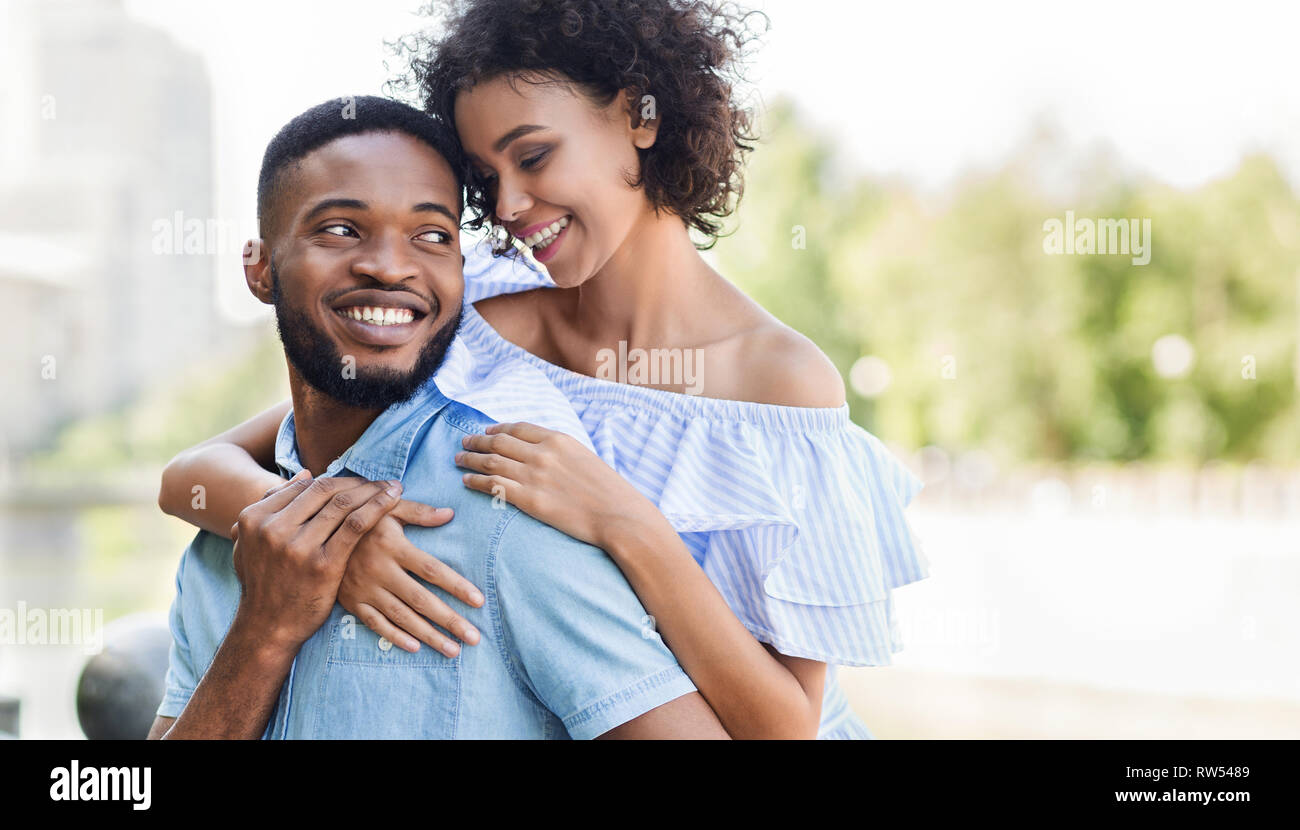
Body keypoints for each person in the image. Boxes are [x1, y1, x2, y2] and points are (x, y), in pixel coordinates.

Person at [160, 0, 929, 739]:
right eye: (485, 179)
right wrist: (341, 542)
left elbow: (787, 727)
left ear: (642, 117)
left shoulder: (776, 384)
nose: (512, 205)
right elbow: (198, 471)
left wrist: (623, 520)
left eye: (533, 156)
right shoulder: (479, 319)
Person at [147, 96, 727, 740]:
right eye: (340, 229)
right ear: (259, 268)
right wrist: (263, 632)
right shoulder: (226, 543)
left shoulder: (509, 516)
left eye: (432, 236)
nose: (391, 267)